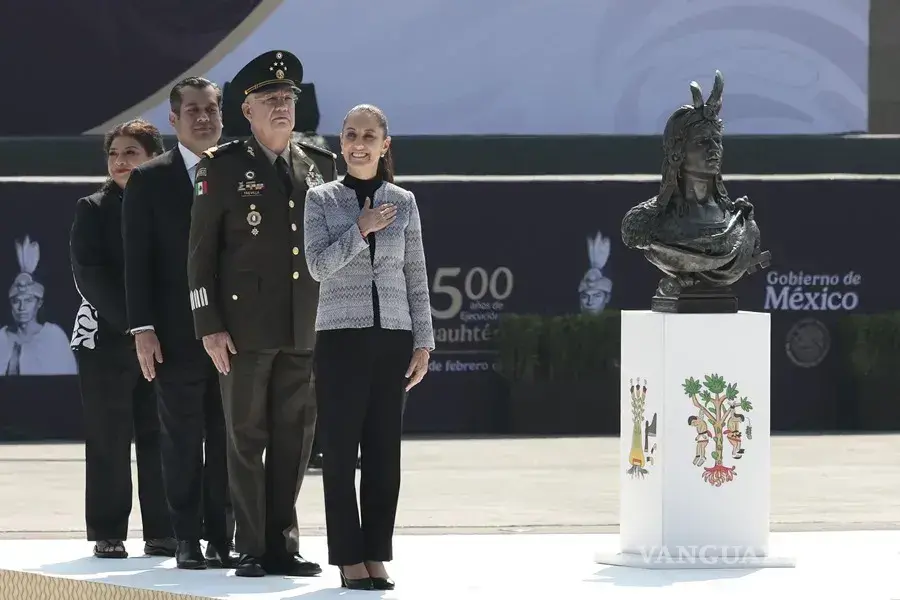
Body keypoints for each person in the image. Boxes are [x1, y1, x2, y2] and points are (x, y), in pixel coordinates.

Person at [187, 50, 338, 578]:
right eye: (269, 99)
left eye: (288, 98)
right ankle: (250, 545)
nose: (281, 106)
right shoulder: (221, 167)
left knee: (294, 438)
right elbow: (201, 256)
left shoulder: (320, 166)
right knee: (246, 437)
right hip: (243, 328)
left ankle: (284, 543)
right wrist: (209, 325)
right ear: (246, 111)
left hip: (304, 322)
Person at [303, 104, 435, 591]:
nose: (360, 143)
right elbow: (318, 266)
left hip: (394, 338)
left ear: (385, 145)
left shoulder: (404, 200)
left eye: (369, 135)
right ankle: (348, 557)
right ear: (341, 143)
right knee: (338, 452)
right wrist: (361, 229)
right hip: (340, 336)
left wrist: (423, 340)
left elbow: (416, 275)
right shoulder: (321, 199)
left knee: (384, 452)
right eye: (351, 134)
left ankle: (376, 552)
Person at [121, 77, 235, 570]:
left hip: (236, 333)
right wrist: (142, 328)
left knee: (231, 437)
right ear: (173, 119)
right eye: (193, 110)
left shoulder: (241, 170)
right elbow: (136, 262)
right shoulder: (149, 178)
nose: (204, 117)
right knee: (183, 438)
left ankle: (223, 537)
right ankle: (186, 536)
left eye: (211, 108)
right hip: (174, 336)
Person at [68, 119, 174, 559]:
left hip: (164, 340)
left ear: (153, 157)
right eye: (114, 154)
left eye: (131, 152)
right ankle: (108, 532)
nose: (120, 161)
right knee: (108, 437)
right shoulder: (92, 207)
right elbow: (89, 277)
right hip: (106, 342)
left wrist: (158, 327)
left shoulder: (169, 205)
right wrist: (137, 326)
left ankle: (163, 531)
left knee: (159, 436)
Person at [1, 236, 78, 376]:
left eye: (28, 301)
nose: (22, 307)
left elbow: (66, 382)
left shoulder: (54, 337)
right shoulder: (1, 338)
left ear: (39, 303)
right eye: (16, 301)